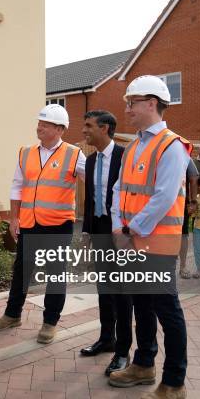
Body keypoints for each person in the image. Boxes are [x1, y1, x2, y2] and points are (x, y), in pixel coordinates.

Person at [108, 75, 191, 399]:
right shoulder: (134, 147)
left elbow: (163, 197)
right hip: (130, 240)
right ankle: (144, 364)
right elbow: (118, 190)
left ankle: (174, 383)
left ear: (152, 104)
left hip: (156, 244)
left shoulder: (172, 146)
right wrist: (118, 226)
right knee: (141, 304)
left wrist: (129, 230)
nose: (126, 109)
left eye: (132, 102)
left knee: (166, 310)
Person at [0, 104, 86, 344]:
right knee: (21, 271)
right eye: (39, 123)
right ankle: (12, 315)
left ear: (59, 129)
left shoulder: (75, 155)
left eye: (45, 124)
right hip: (30, 223)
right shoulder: (26, 152)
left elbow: (95, 181)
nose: (39, 127)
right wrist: (14, 217)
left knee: (55, 274)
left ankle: (50, 323)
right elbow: (16, 186)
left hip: (58, 225)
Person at [79, 110, 132, 376]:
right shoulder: (89, 161)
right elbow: (90, 199)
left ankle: (123, 351)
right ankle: (106, 338)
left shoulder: (125, 156)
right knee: (104, 286)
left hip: (121, 232)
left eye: (88, 126)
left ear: (105, 128)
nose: (84, 131)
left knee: (122, 291)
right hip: (100, 229)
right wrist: (88, 231)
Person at [178, 160, 198, 279]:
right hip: (158, 200)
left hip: (180, 201)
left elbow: (193, 178)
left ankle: (183, 266)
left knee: (183, 234)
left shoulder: (184, 154)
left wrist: (193, 201)